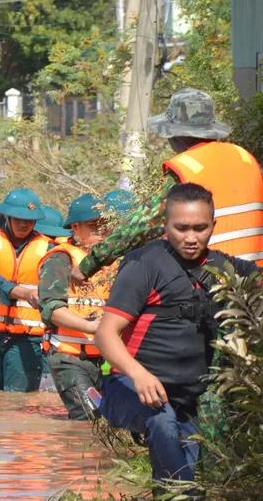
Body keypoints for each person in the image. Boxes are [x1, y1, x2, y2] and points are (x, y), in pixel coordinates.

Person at [96, 183, 261, 490]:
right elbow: (106, 334)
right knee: (162, 425)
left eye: (200, 228)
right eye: (181, 228)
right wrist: (139, 375)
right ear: (165, 225)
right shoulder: (144, 265)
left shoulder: (224, 268)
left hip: (191, 398)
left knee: (194, 481)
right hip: (129, 385)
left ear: (213, 225)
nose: (191, 238)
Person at [72, 87, 263, 286]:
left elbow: (141, 226)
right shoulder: (245, 158)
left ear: (176, 135)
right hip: (255, 279)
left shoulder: (187, 168)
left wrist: (90, 264)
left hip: (213, 281)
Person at [39, 193, 116, 420]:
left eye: (105, 224)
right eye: (94, 225)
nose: (102, 230)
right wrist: (91, 327)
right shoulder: (60, 259)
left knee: (110, 421)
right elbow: (51, 309)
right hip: (70, 358)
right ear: (75, 227)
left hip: (108, 358)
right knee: (88, 419)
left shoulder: (115, 259)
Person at [0, 188, 52, 392]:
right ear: (7, 216)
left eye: (29, 220)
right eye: (19, 219)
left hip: (27, 338)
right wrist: (23, 293)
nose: (24, 224)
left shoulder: (48, 248)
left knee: (18, 400)